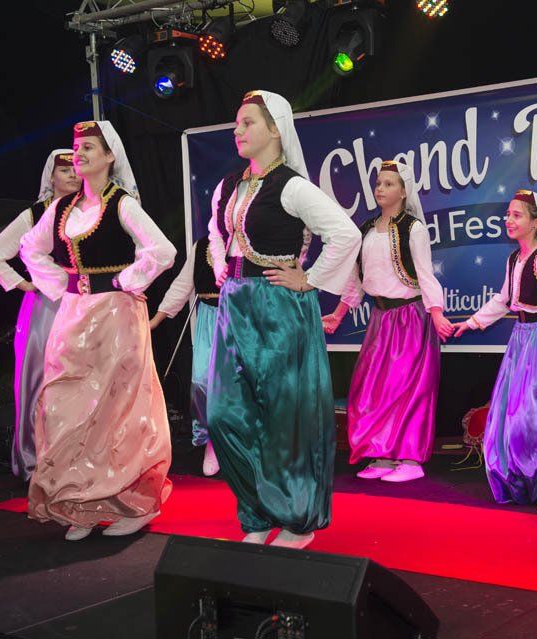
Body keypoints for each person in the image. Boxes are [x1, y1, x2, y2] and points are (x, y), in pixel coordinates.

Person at [206, 90, 361, 549]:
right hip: (236, 306)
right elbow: (216, 234)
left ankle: (296, 519)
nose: (238, 130)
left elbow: (345, 233)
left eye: (248, 122)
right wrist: (222, 269)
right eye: (237, 123)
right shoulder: (230, 185)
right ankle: (255, 510)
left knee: (284, 416)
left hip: (278, 308)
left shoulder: (292, 185)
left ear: (275, 129)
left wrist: (309, 279)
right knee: (224, 415)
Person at [20, 120, 177, 541]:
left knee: (118, 410)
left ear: (110, 157)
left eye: (89, 147)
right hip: (74, 314)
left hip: (116, 317)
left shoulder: (122, 204)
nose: (80, 154)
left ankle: (133, 503)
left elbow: (163, 251)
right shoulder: (63, 208)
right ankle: (79, 501)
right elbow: (30, 248)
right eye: (76, 147)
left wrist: (127, 280)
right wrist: (60, 284)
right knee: (67, 407)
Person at [454, 189, 537, 506]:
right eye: (508, 214)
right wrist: (472, 322)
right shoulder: (515, 258)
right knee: (512, 413)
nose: (509, 220)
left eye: (517, 215)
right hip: (522, 339)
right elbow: (503, 300)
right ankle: (520, 476)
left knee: (535, 417)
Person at [322, 160, 452, 483]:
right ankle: (381, 454)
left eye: (389, 184)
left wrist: (436, 313)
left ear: (404, 192)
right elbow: (355, 279)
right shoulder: (366, 230)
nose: (381, 188)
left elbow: (425, 274)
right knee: (371, 388)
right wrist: (339, 314)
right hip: (381, 320)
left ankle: (409, 458)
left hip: (409, 318)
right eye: (379, 183)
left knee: (406, 388)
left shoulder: (413, 229)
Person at [0, 149, 79, 480]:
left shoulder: (89, 212)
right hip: (44, 310)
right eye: (63, 169)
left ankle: (75, 459)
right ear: (50, 176)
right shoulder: (35, 215)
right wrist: (24, 284)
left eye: (75, 167)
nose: (71, 174)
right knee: (38, 382)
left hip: (82, 304)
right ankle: (33, 460)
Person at [149, 236, 221, 476]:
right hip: (210, 319)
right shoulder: (202, 246)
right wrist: (155, 321)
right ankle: (212, 440)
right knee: (201, 381)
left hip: (243, 318)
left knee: (240, 385)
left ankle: (240, 444)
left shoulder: (249, 243)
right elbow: (182, 285)